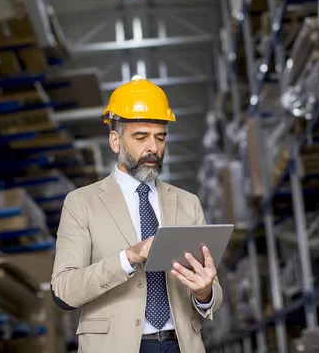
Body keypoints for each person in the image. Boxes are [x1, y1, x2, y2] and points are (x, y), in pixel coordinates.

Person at [51, 78, 223, 353]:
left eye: (160, 137)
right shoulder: (81, 203)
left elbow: (212, 289)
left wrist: (205, 292)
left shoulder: (188, 203)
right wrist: (128, 258)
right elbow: (64, 290)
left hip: (180, 345)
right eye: (141, 137)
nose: (153, 148)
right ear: (115, 141)